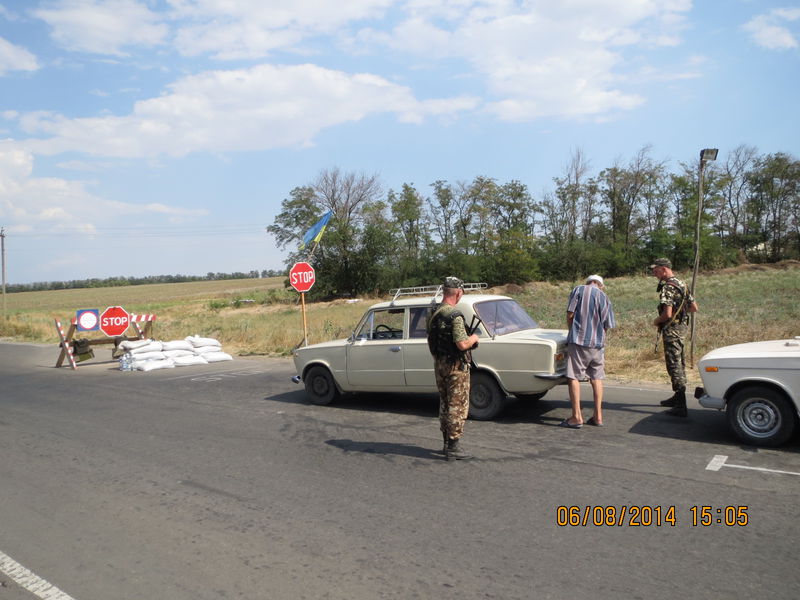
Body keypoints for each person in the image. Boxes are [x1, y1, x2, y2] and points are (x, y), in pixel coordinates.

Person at [426, 276, 480, 460]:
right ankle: (453, 446)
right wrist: (474, 338)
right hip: (456, 367)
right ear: (458, 292)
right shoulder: (455, 316)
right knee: (457, 406)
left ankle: (445, 442)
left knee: (445, 403)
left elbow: (430, 338)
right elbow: (462, 344)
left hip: (439, 364)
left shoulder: (432, 312)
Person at [561, 274, 616, 428]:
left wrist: (571, 331)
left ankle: (576, 417)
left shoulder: (579, 290)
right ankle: (598, 416)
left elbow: (570, 313)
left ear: (588, 282)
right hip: (598, 344)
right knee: (596, 378)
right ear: (601, 285)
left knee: (573, 377)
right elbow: (608, 324)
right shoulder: (605, 297)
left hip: (579, 341)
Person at [650, 258, 699, 417]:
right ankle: (677, 397)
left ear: (664, 269)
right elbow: (693, 307)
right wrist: (681, 314)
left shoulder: (668, 287)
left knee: (674, 365)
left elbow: (667, 314)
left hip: (672, 330)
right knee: (680, 362)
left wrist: (657, 321)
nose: (654, 274)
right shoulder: (682, 284)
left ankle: (681, 405)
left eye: (656, 271)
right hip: (682, 328)